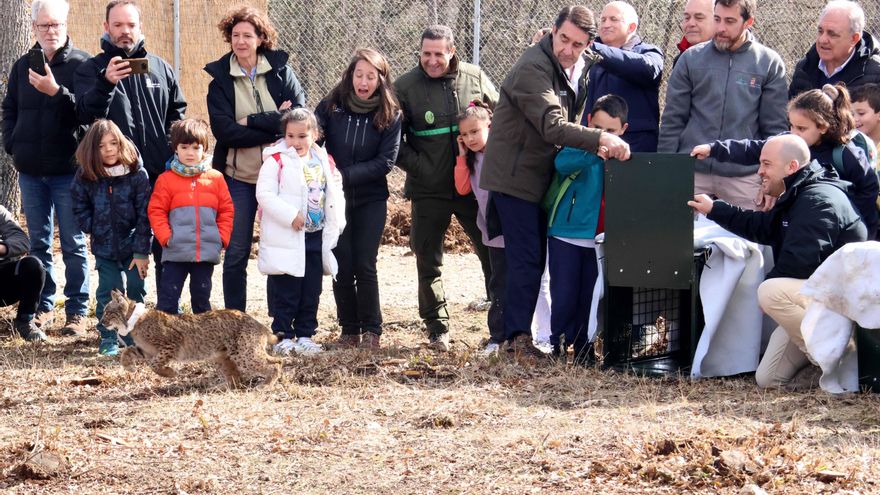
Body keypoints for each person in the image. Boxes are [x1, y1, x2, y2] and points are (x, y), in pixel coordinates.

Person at [480, 5, 630, 358]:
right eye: (564, 39)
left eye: (578, 44)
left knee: (531, 259)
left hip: (540, 176)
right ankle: (515, 340)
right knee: (526, 259)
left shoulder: (578, 65)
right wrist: (600, 139)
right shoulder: (533, 67)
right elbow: (552, 125)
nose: (568, 49)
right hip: (514, 176)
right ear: (552, 31)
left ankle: (517, 336)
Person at [688, 134, 867, 389]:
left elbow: (799, 263)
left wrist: (766, 296)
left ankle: (838, 360)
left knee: (770, 291)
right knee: (769, 379)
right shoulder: (796, 192)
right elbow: (761, 227)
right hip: (818, 300)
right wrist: (715, 209)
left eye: (766, 164)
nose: (760, 171)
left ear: (792, 167)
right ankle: (821, 360)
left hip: (841, 305)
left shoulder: (817, 200)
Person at [394, 25, 498, 351]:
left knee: (491, 253)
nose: (433, 60)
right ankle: (438, 329)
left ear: (451, 51)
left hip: (473, 188)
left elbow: (499, 115)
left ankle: (502, 326)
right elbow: (393, 141)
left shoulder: (474, 76)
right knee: (428, 259)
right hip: (428, 189)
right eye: (426, 54)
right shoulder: (405, 87)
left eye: (439, 53)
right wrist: (423, 169)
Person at [75, 0, 186, 287]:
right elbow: (85, 114)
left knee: (165, 243)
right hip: (115, 181)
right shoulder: (91, 70)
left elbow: (176, 114)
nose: (125, 31)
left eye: (131, 25)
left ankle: (165, 310)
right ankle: (121, 316)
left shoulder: (160, 68)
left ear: (140, 27)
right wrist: (106, 83)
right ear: (106, 27)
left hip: (160, 174)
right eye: (118, 25)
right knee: (119, 253)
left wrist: (172, 153)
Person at [204, 5, 306, 312]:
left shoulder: (281, 71)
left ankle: (280, 321)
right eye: (235, 35)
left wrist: (251, 120)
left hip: (280, 179)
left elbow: (298, 119)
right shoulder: (220, 80)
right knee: (236, 252)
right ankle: (236, 319)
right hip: (240, 178)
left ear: (261, 38)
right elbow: (225, 132)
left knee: (278, 249)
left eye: (248, 35)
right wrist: (274, 123)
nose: (241, 41)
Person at [1, 0, 90, 335]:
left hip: (68, 170)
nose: (51, 31)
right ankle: (43, 307)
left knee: (73, 243)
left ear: (66, 25)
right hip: (30, 171)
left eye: (56, 25)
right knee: (38, 243)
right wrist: (12, 141)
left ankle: (78, 312)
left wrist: (56, 92)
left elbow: (86, 114)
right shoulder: (22, 65)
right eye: (44, 26)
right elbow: (9, 108)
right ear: (34, 27)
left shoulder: (82, 65)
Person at [692, 83, 879, 237]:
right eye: (791, 126)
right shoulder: (787, 142)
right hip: (796, 221)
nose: (794, 133)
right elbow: (753, 149)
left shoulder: (846, 154)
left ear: (823, 127)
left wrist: (864, 235)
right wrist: (714, 149)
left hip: (834, 229)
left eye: (801, 128)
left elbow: (868, 190)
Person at [658, 0, 788, 211]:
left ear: (748, 22)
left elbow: (775, 128)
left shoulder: (768, 63)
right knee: (673, 238)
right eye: (717, 19)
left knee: (749, 241)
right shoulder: (690, 59)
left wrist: (773, 181)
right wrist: (666, 168)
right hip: (691, 170)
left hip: (744, 174)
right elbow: (672, 120)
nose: (720, 28)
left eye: (729, 21)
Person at [316, 48, 401, 350]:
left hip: (370, 199)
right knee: (341, 262)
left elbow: (385, 162)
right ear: (350, 75)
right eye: (359, 75)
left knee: (365, 262)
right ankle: (349, 330)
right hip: (334, 200)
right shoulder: (330, 106)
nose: (363, 82)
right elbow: (313, 139)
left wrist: (344, 174)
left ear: (381, 80)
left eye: (370, 76)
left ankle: (372, 330)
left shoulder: (390, 114)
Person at [546, 95, 628, 364]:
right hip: (566, 234)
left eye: (611, 132)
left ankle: (583, 346)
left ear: (623, 131)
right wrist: (592, 149)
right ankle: (557, 340)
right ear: (589, 124)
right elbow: (561, 164)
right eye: (599, 130)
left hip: (599, 240)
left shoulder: (623, 157)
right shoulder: (578, 146)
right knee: (564, 294)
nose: (605, 136)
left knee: (588, 298)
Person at [256, 108, 345, 356]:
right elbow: (264, 194)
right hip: (288, 237)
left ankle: (306, 334)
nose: (295, 142)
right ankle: (283, 335)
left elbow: (335, 192)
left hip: (315, 236)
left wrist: (337, 220)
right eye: (290, 136)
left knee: (311, 288)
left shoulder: (323, 161)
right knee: (287, 289)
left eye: (302, 136)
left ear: (314, 135)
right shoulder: (276, 161)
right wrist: (290, 215)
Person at [70, 119, 151, 357]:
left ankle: (138, 338)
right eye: (101, 146)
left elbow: (146, 214)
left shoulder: (136, 173)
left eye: (113, 143)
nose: (109, 149)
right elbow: (78, 206)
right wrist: (92, 226)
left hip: (133, 246)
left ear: (121, 144)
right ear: (92, 150)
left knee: (136, 288)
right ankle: (109, 337)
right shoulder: (87, 176)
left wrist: (141, 251)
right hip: (104, 247)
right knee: (108, 290)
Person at [148, 119, 234, 315]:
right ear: (175, 148)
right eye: (184, 147)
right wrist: (165, 237)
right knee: (167, 300)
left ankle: (202, 343)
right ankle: (164, 343)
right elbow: (156, 210)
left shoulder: (215, 178)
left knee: (202, 300)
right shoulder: (166, 179)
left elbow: (226, 210)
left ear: (204, 149)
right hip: (175, 251)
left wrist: (221, 238)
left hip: (205, 253)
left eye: (196, 147)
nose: (190, 152)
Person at [583, 1, 662, 152]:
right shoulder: (587, 51)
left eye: (613, 19)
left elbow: (647, 69)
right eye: (603, 19)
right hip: (592, 146)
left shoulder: (649, 53)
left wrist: (594, 47)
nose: (606, 24)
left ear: (632, 27)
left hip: (635, 149)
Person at [789, 0, 880, 99]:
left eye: (832, 34)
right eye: (820, 31)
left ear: (854, 39)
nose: (822, 40)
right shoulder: (804, 68)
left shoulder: (875, 74)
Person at [0, 205, 47, 342]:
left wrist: (2, 248)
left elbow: (23, 241)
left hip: (4, 280)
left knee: (33, 265)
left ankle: (25, 321)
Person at [674, 0, 715, 67]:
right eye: (687, 18)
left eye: (699, 18)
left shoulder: (728, 60)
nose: (691, 23)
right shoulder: (679, 60)